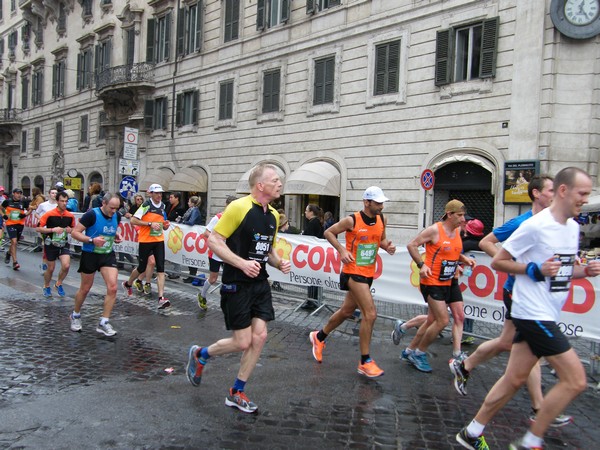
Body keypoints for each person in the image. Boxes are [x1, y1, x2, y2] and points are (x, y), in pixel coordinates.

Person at [456, 167, 597, 450]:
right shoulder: (534, 225)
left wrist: (586, 271)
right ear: (563, 191)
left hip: (546, 312)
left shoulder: (571, 227)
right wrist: (535, 269)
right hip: (533, 313)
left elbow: (563, 271)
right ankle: (531, 441)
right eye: (582, 193)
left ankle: (472, 432)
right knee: (575, 379)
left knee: (514, 378)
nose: (586, 198)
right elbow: (499, 262)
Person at [185, 164, 291, 413]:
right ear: (260, 185)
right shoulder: (238, 207)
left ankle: (236, 391)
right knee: (242, 342)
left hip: (260, 284)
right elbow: (213, 240)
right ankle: (201, 354)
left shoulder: (273, 215)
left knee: (260, 337)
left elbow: (269, 250)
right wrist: (242, 263)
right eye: (275, 180)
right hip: (236, 283)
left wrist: (279, 262)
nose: (279, 184)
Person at [309, 186, 396, 378]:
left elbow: (380, 240)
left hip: (368, 272)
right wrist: (341, 250)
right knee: (370, 314)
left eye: (382, 202)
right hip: (352, 271)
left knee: (347, 311)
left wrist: (387, 246)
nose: (381, 206)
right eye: (378, 203)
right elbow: (329, 232)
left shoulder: (382, 219)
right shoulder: (352, 220)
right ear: (367, 202)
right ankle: (365, 361)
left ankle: (319, 336)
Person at [402, 200, 475, 373]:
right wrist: (422, 265)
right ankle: (419, 353)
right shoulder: (434, 230)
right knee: (442, 320)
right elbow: (411, 245)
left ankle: (410, 350)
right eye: (459, 215)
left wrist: (465, 260)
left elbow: (454, 253)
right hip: (432, 280)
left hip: (449, 280)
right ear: (449, 214)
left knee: (443, 319)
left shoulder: (457, 231)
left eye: (463, 215)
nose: (463, 219)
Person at [69, 192, 123, 336]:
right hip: (90, 254)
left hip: (107, 254)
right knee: (85, 288)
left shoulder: (117, 216)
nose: (114, 211)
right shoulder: (91, 215)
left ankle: (104, 322)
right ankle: (75, 314)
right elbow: (75, 233)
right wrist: (91, 240)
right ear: (103, 204)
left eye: (117, 208)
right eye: (111, 208)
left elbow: (111, 230)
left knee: (112, 287)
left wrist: (115, 236)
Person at [122, 184, 171, 309]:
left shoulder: (163, 205)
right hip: (145, 240)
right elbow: (133, 220)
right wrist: (149, 224)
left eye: (161, 193)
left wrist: (165, 225)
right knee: (141, 267)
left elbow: (161, 223)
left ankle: (161, 298)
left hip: (158, 239)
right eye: (157, 193)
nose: (159, 195)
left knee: (161, 268)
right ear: (151, 194)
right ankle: (128, 283)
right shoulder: (146, 205)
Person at [197, 195, 237, 309]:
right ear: (227, 205)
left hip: (228, 253)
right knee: (213, 279)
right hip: (215, 253)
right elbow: (206, 233)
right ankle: (202, 295)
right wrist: (219, 238)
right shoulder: (218, 218)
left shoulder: (235, 220)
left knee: (230, 278)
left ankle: (229, 301)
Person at [35, 191, 75, 297]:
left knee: (66, 265)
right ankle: (46, 285)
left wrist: (70, 230)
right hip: (51, 243)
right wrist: (53, 229)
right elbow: (38, 228)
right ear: (57, 201)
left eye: (66, 201)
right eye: (62, 201)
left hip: (63, 243)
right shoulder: (49, 214)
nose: (64, 203)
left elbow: (73, 228)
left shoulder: (70, 216)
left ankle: (59, 283)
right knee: (51, 268)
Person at [460, 218, 485, 344]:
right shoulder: (484, 244)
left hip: (463, 280)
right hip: (479, 283)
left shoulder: (466, 244)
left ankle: (463, 332)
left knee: (459, 306)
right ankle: (468, 333)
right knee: (471, 306)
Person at [301, 204, 324, 310]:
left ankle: (312, 300)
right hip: (315, 253)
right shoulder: (316, 222)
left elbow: (308, 237)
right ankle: (312, 299)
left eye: (306, 210)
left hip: (313, 254)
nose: (305, 212)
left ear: (311, 212)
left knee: (312, 278)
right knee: (313, 278)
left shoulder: (313, 223)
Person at [2, 188, 31, 270]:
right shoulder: (8, 201)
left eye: (20, 193)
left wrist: (25, 215)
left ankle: (8, 253)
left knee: (15, 242)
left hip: (20, 224)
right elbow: (0, 208)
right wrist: (3, 215)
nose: (19, 195)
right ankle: (15, 262)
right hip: (10, 224)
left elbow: (30, 210)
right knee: (14, 241)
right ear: (13, 193)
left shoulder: (23, 202)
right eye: (17, 193)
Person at [180, 196, 204, 283]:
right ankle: (191, 275)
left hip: (193, 235)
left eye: (189, 201)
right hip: (190, 234)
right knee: (190, 255)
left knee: (192, 255)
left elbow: (191, 222)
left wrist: (183, 222)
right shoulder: (192, 210)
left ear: (193, 203)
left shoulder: (195, 210)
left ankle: (192, 275)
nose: (187, 203)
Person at [166, 191, 185, 279]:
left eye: (171, 197)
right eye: (169, 197)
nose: (170, 199)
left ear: (177, 198)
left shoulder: (181, 208)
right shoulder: (168, 206)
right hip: (167, 231)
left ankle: (176, 271)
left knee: (175, 251)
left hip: (175, 233)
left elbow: (179, 220)